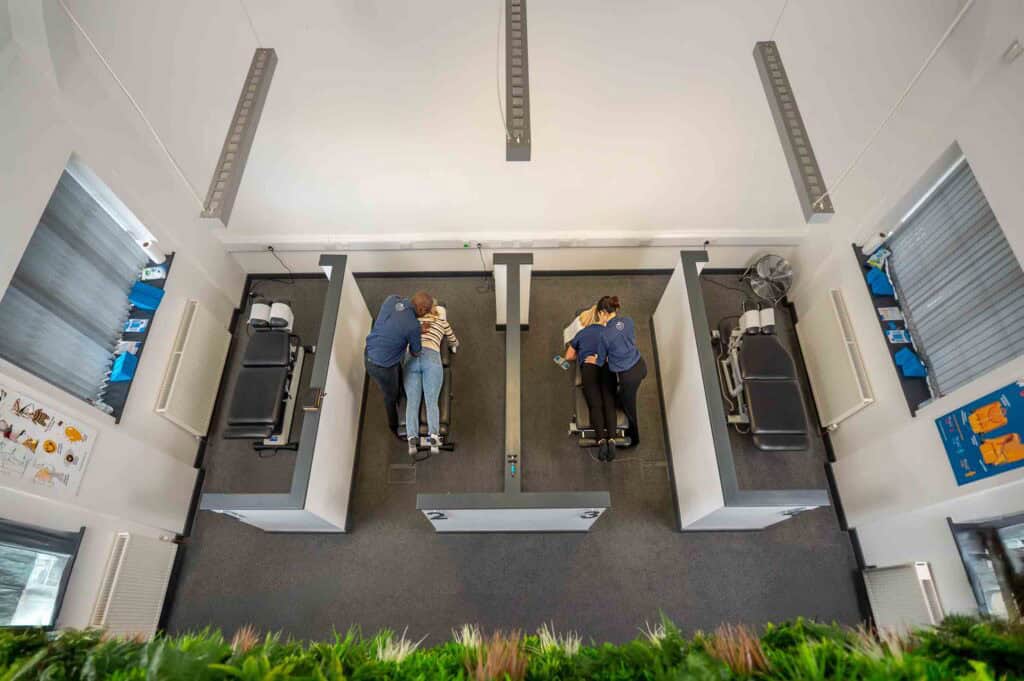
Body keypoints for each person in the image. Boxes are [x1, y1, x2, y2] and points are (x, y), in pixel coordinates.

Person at [365, 291, 433, 438]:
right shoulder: (413, 326)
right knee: (390, 395)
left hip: (370, 350)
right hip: (381, 365)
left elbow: (397, 324)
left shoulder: (392, 299)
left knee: (397, 374)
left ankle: (401, 390)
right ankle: (394, 426)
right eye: (426, 312)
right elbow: (416, 352)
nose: (425, 315)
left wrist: (415, 331)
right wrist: (416, 333)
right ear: (421, 310)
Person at [586, 295, 647, 448]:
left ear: (602, 313)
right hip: (640, 364)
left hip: (628, 376)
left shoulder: (604, 335)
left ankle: (634, 439)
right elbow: (626, 341)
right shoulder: (628, 321)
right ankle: (622, 399)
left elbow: (599, 361)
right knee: (620, 397)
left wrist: (595, 359)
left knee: (629, 407)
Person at [404, 301, 459, 456]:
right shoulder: (442, 321)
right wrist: (454, 347)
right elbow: (453, 341)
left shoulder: (413, 322)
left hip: (412, 358)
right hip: (432, 359)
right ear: (436, 311)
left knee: (412, 403)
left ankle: (412, 439)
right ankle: (433, 437)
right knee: (431, 401)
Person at [565, 320, 618, 461]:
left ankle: (601, 441)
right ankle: (612, 440)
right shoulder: (609, 333)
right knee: (609, 402)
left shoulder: (581, 333)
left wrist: (582, 354)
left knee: (595, 405)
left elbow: (568, 356)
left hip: (589, 367)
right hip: (606, 366)